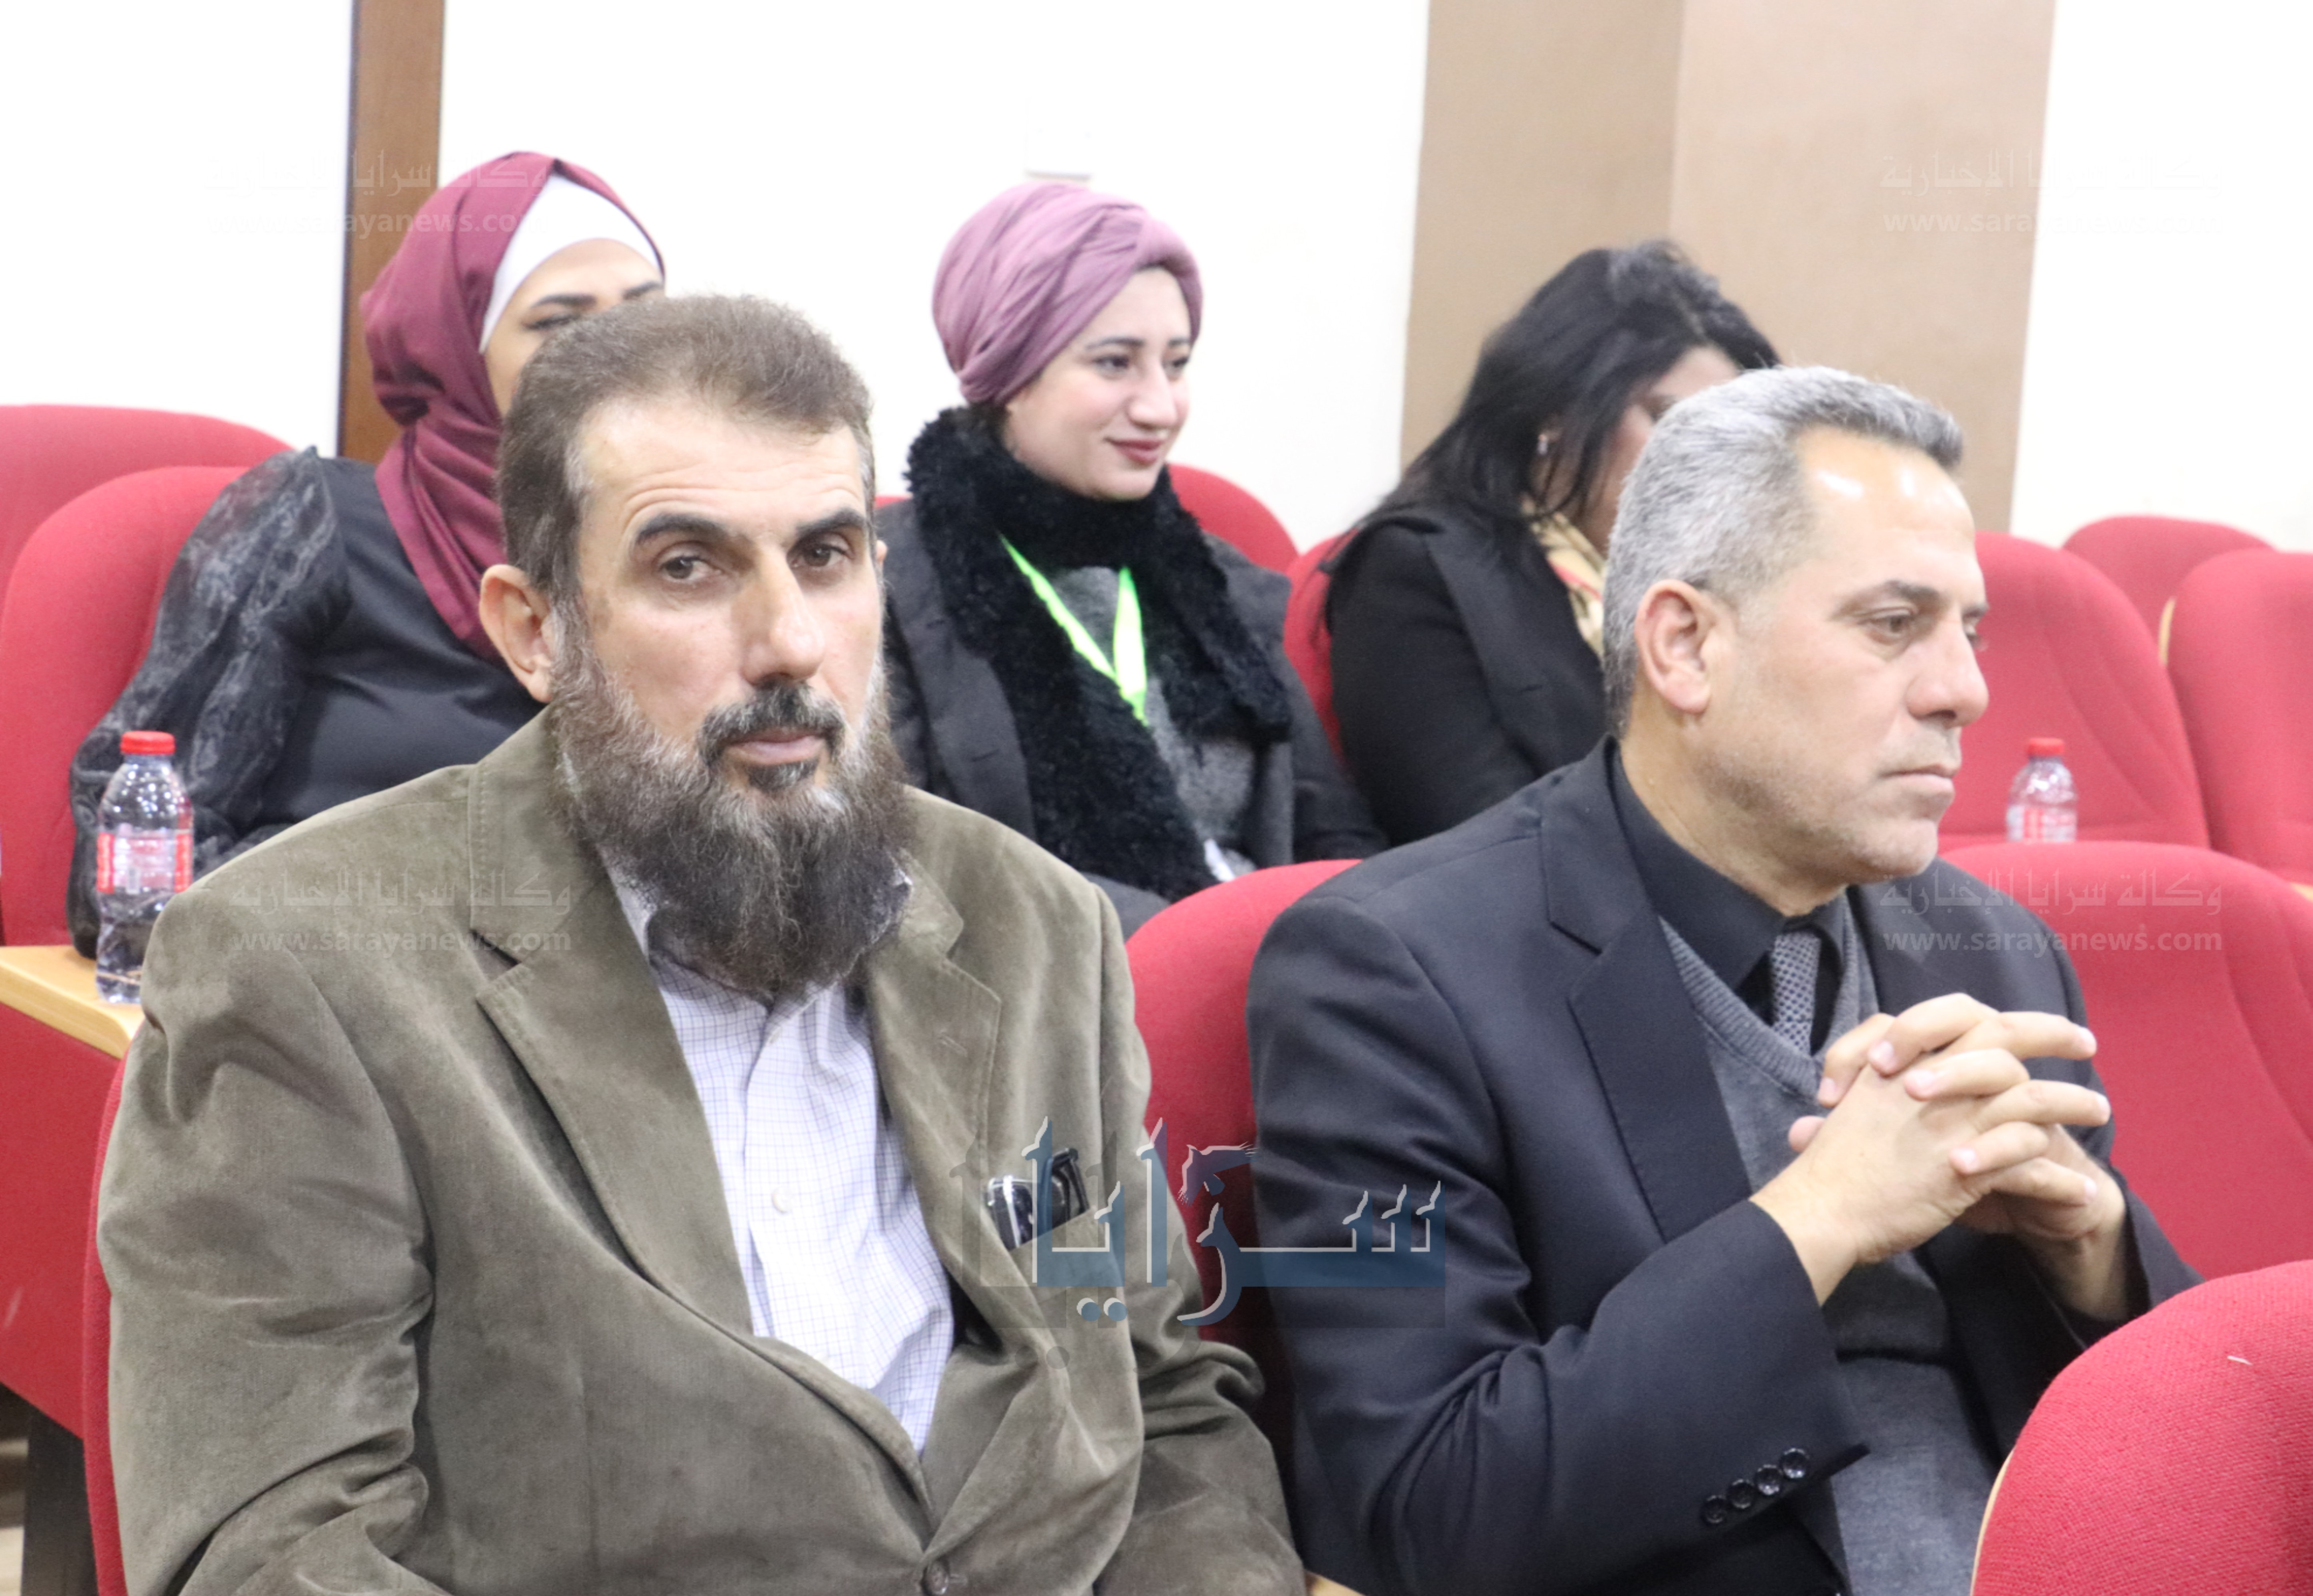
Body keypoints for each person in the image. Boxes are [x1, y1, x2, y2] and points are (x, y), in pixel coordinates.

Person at [99, 294, 1303, 1595]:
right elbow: (279, 1555)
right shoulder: (305, 967)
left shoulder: (1037, 928)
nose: (790, 643)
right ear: (536, 630)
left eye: (826, 556)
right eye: (689, 567)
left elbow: (1161, 1407)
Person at [1247, 368, 2197, 1596]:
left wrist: (2099, 1254)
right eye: (1893, 624)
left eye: (1969, 632)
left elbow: (2178, 1428)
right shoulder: (1386, 972)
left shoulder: (1992, 947)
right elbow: (1432, 1510)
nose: (1964, 690)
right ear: (1686, 646)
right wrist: (1818, 1220)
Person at [66, 149, 662, 953]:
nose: (618, 354)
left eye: (645, 313)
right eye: (559, 323)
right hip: (342, 994)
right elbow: (132, 874)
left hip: (627, 1003)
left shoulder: (711, 551)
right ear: (458, 348)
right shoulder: (318, 524)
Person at [880, 182, 1378, 932]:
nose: (1159, 407)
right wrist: (1188, 950)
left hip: (1275, 969)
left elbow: (1333, 836)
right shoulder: (891, 594)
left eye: (1175, 365)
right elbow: (918, 872)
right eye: (1115, 364)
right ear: (1008, 374)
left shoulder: (1220, 585)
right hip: (1052, 986)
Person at [1327, 242, 1777, 844]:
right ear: (1556, 412)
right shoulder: (1419, 570)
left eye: (1722, 439)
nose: (1698, 461)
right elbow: (1475, 836)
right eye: (1668, 420)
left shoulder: (1728, 592)